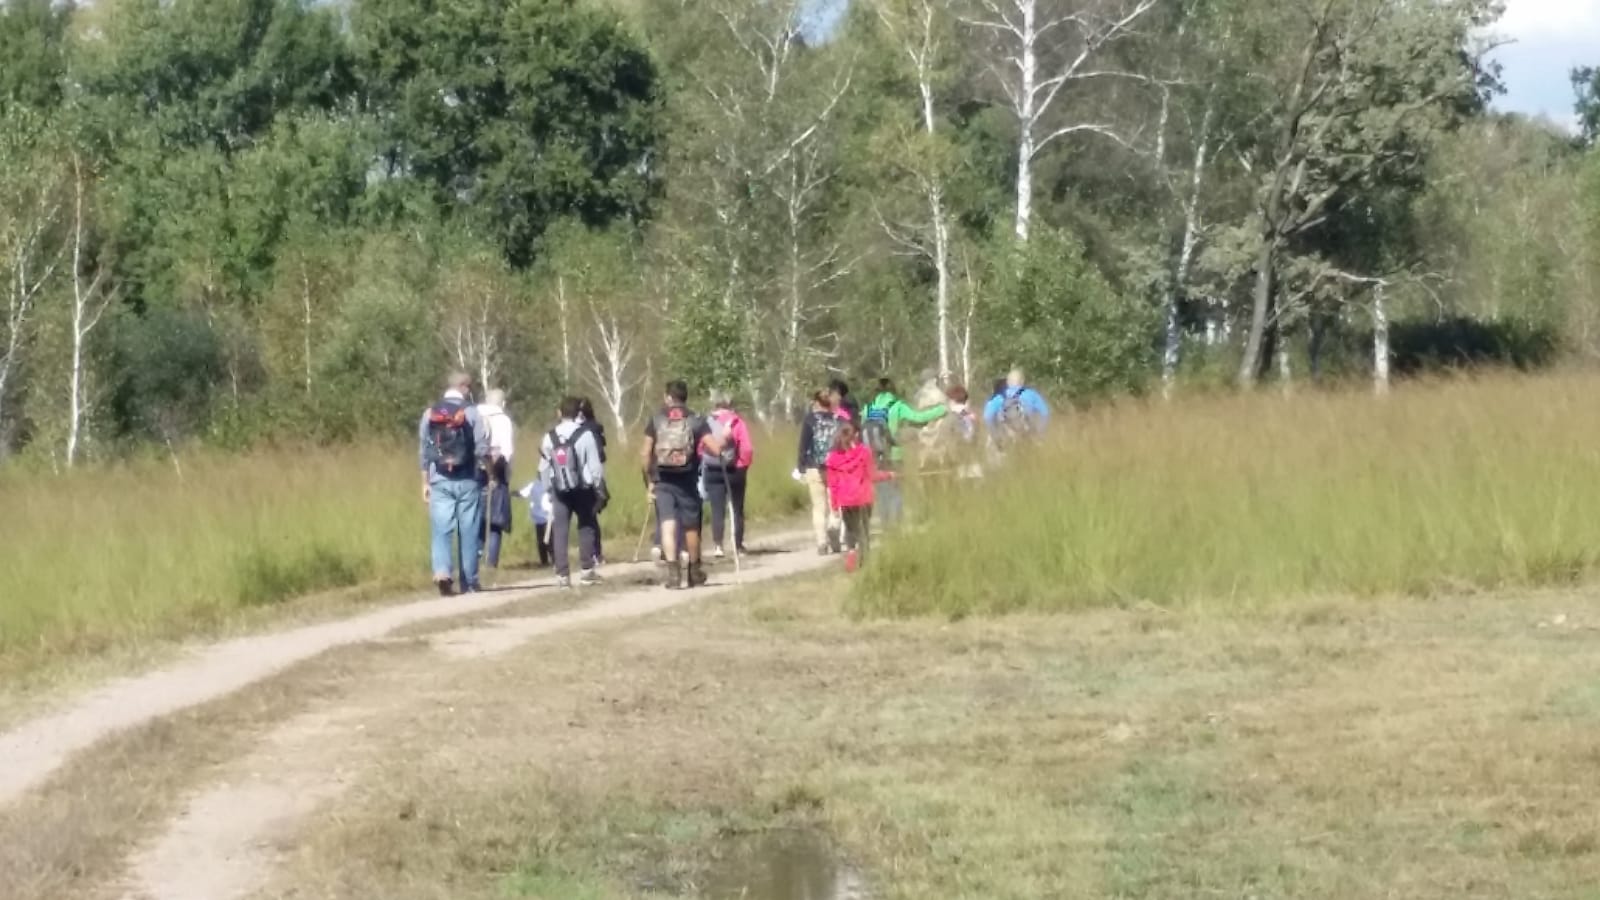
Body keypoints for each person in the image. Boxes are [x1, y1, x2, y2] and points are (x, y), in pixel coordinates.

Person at [641, 380, 727, 590]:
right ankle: (694, 571)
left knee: (667, 523)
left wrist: (649, 479)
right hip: (687, 479)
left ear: (668, 397)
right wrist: (724, 441)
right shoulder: (696, 420)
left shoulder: (657, 419)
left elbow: (645, 453)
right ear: (685, 397)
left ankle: (673, 575)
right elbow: (715, 449)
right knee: (691, 526)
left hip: (663, 479)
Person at [419, 371, 491, 596]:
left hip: (439, 479)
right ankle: (469, 581)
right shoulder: (472, 412)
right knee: (469, 530)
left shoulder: (430, 413)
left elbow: (424, 450)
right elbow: (481, 448)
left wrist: (425, 482)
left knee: (441, 528)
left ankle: (442, 571)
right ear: (464, 387)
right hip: (468, 478)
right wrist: (489, 472)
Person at [539, 396, 606, 588]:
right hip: (583, 488)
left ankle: (562, 575)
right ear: (579, 413)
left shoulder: (549, 437)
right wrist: (599, 487)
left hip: (559, 489)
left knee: (560, 530)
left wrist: (548, 488)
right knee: (586, 525)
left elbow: (543, 466)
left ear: (559, 413)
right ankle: (586, 570)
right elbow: (594, 466)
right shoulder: (586, 435)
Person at [862, 377, 947, 525]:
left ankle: (886, 524)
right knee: (896, 491)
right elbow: (918, 418)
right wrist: (942, 409)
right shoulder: (897, 406)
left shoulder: (868, 408)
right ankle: (896, 524)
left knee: (882, 493)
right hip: (894, 454)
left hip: (873, 456)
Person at [826, 420, 894, 569]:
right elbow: (872, 475)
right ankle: (865, 560)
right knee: (864, 529)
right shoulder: (864, 452)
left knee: (850, 529)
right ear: (856, 435)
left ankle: (851, 552)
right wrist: (888, 475)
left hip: (846, 499)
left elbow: (833, 484)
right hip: (864, 497)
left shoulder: (833, 458)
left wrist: (834, 505)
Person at [701, 390, 754, 558]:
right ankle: (737, 545)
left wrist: (705, 461)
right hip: (734, 469)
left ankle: (718, 546)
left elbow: (700, 447)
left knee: (717, 509)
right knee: (737, 508)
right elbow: (747, 448)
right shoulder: (737, 422)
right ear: (729, 403)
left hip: (712, 469)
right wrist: (743, 465)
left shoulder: (706, 422)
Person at [794, 390, 842, 554]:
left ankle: (821, 542)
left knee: (819, 507)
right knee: (835, 505)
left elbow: (803, 445)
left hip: (814, 467)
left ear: (816, 402)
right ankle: (834, 532)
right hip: (836, 468)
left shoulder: (810, 420)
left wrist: (800, 467)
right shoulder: (838, 420)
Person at [476, 389, 516, 571]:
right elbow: (508, 451)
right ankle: (491, 563)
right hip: (497, 470)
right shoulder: (503, 420)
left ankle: (474, 560)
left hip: (475, 470)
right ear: (503, 403)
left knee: (477, 518)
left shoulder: (474, 415)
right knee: (495, 520)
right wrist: (507, 474)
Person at [576, 398, 610, 566]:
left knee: (588, 517)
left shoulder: (587, 430)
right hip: (590, 477)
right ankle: (595, 553)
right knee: (590, 517)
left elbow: (600, 455)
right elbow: (602, 456)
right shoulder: (595, 428)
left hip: (584, 477)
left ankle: (593, 553)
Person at [983, 368, 1051, 449]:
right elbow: (1045, 413)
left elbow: (987, 417)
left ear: (1008, 382)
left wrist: (996, 437)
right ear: (1022, 381)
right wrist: (1039, 433)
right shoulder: (1032, 394)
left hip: (1007, 439)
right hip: (1028, 437)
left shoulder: (999, 397)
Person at [515, 478, 554, 568]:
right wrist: (515, 493)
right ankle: (545, 561)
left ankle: (552, 560)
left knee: (548, 540)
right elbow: (522, 493)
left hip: (548, 517)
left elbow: (522, 493)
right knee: (543, 541)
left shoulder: (549, 484)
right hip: (540, 518)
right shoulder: (535, 484)